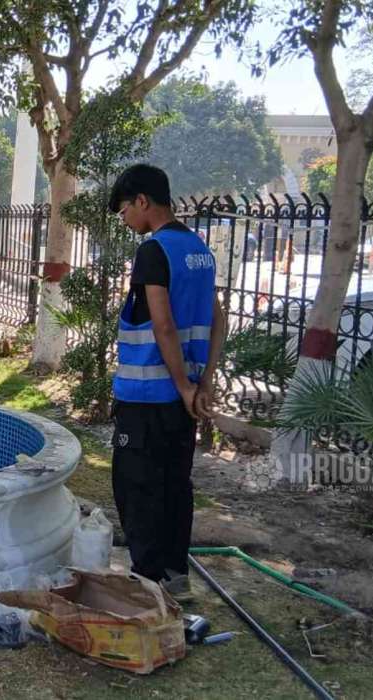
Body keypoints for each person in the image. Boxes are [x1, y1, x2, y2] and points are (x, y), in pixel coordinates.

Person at [108, 164, 226, 602]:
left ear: (143, 201)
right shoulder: (198, 250)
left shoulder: (153, 251)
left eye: (124, 210)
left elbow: (163, 326)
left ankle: (147, 582)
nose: (124, 220)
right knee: (176, 485)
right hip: (184, 398)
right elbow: (218, 321)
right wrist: (201, 384)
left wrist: (181, 386)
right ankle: (176, 576)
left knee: (137, 486)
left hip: (148, 396)